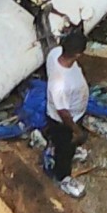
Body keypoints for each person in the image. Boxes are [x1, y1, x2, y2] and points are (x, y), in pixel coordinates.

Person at [44, 31, 90, 198]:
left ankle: (67, 150)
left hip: (75, 113)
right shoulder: (60, 83)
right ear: (78, 54)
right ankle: (63, 177)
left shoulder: (55, 53)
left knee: (65, 144)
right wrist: (76, 130)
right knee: (65, 148)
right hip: (65, 121)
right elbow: (62, 111)